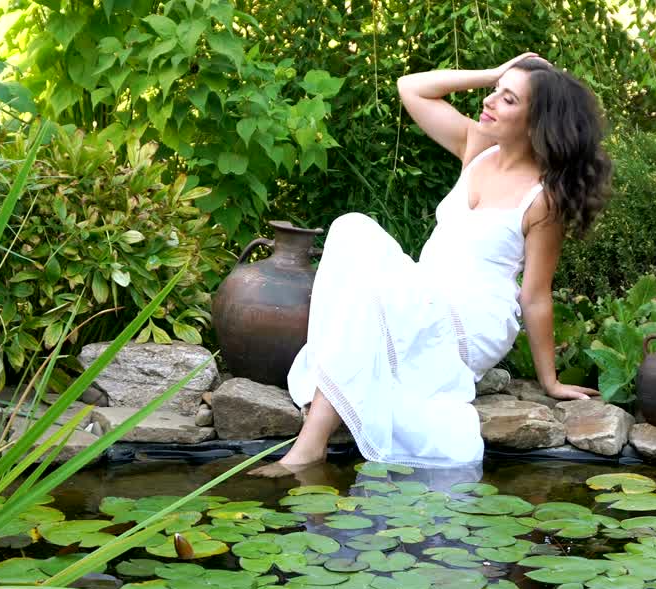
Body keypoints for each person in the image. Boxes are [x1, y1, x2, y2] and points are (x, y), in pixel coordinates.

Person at [251, 52, 612, 477]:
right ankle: (335, 410)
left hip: (472, 321)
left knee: (381, 291)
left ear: (538, 122)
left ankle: (309, 446)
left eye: (509, 99)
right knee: (352, 228)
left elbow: (534, 296)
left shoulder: (543, 198)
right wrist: (494, 74)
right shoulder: (478, 148)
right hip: (421, 293)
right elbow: (411, 88)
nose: (491, 101)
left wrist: (549, 381)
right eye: (495, 92)